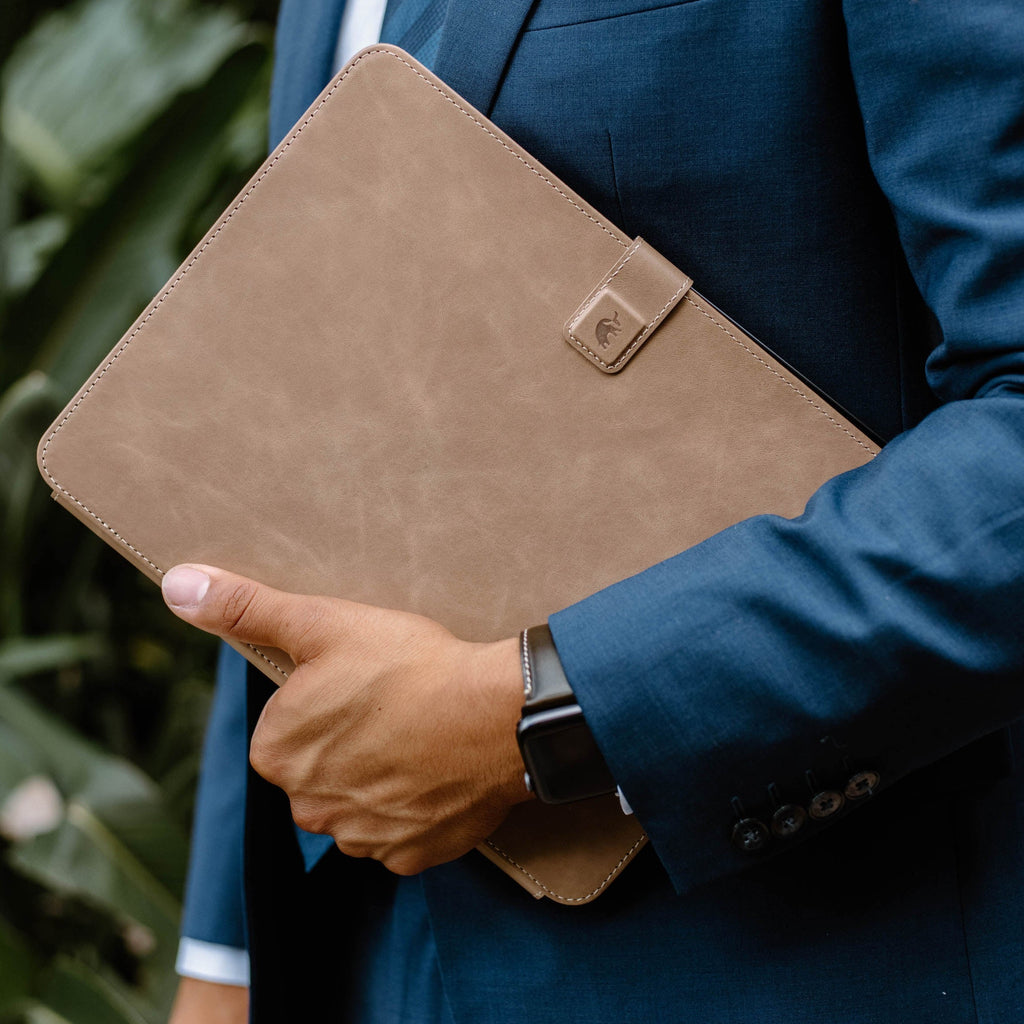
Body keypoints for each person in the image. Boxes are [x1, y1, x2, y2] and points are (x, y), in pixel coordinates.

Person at [169, 0, 1024, 1021]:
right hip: (372, 960)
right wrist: (222, 963)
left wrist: (547, 714)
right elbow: (315, 455)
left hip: (793, 956)